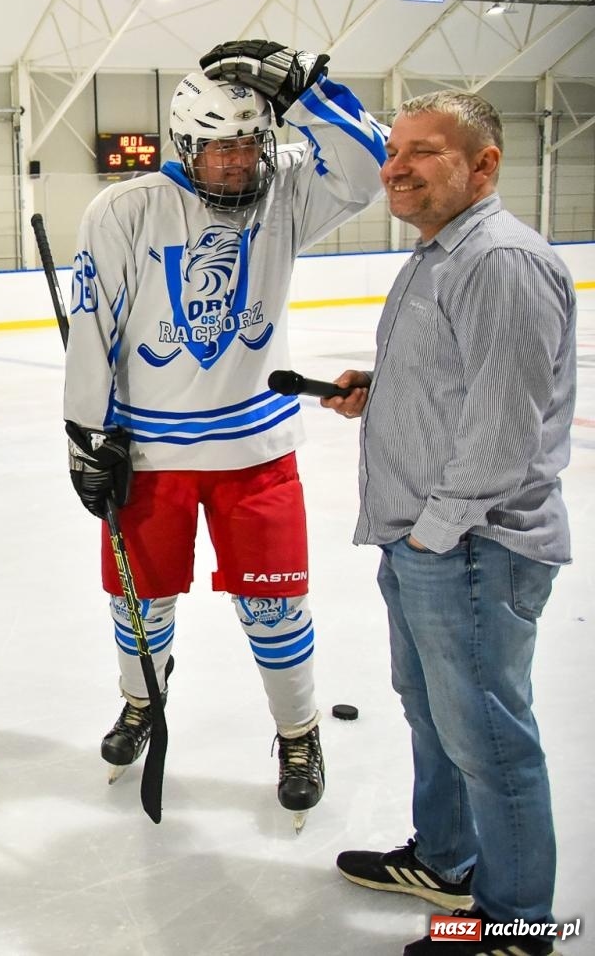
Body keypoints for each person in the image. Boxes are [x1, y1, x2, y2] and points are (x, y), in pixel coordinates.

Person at [62, 41, 387, 827]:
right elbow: (91, 331)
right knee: (143, 606)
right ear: (186, 144)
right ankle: (141, 704)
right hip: (150, 455)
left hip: (257, 455)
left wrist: (308, 90)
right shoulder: (125, 209)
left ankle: (299, 732)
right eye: (219, 146)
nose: (237, 161)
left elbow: (369, 164)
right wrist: (84, 439)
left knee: (276, 611)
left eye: (249, 142)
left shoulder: (289, 195)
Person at [323, 90, 574, 956]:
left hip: (472, 547)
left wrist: (436, 532)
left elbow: (502, 432)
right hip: (426, 541)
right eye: (394, 150)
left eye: (423, 151)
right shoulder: (439, 255)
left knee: (491, 740)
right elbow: (461, 388)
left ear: (483, 165)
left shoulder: (499, 260)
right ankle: (445, 859)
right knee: (433, 715)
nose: (395, 166)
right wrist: (380, 392)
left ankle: (515, 927)